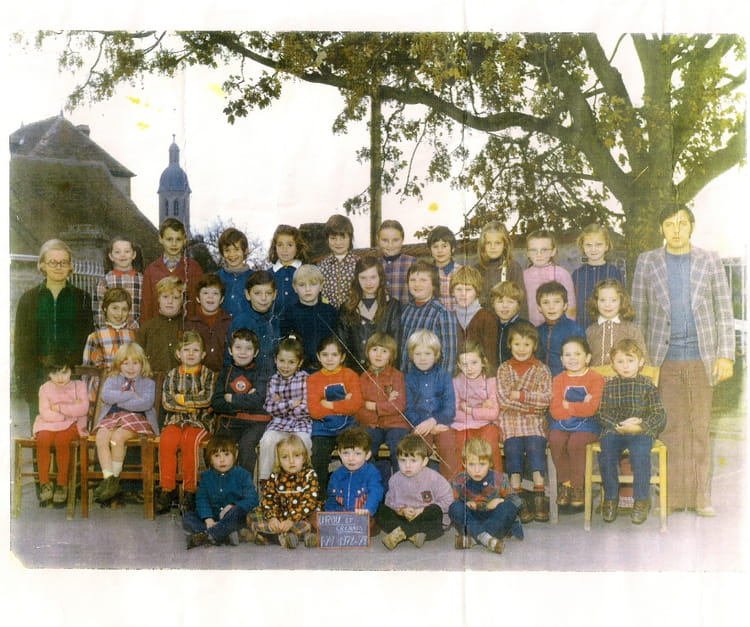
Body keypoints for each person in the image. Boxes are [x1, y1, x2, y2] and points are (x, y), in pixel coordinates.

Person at [631, 203, 734, 516]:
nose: (676, 230)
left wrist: (725, 356)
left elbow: (723, 310)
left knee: (699, 428)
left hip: (702, 358)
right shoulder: (647, 262)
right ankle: (674, 497)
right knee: (670, 429)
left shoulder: (709, 260)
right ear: (661, 228)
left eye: (682, 223)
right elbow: (638, 314)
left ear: (691, 227)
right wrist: (642, 363)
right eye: (669, 224)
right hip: (663, 360)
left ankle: (701, 497)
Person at [14, 239, 93, 430]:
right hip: (39, 376)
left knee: (70, 436)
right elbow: (21, 344)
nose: (58, 267)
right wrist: (26, 382)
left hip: (71, 378)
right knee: (42, 435)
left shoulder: (82, 298)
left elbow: (87, 339)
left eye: (63, 262)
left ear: (71, 266)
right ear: (42, 265)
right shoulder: (29, 299)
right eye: (52, 262)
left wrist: (77, 373)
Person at [597, 340, 666, 524]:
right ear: (613, 364)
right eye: (620, 362)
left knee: (641, 455)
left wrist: (641, 426)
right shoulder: (610, 386)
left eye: (630, 360)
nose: (625, 366)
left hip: (639, 431)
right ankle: (610, 498)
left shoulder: (648, 386)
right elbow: (601, 413)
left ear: (640, 362)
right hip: (616, 430)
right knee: (606, 453)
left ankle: (641, 500)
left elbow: (659, 414)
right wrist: (617, 425)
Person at [496, 321, 552, 522]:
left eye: (527, 344)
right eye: (517, 344)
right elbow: (503, 401)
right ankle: (517, 496)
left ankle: (539, 495)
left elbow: (545, 400)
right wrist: (531, 406)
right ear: (509, 344)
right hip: (510, 422)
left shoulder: (542, 370)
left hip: (534, 422)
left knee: (536, 445)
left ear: (534, 346)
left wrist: (520, 396)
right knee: (513, 448)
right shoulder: (503, 369)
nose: (521, 349)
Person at [155, 330, 217, 514]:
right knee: (167, 440)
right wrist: (192, 404)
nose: (191, 354)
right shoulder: (172, 374)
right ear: (178, 354)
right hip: (175, 421)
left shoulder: (208, 375)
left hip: (200, 422)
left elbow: (207, 400)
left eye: (195, 350)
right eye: (186, 350)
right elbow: (167, 402)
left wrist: (181, 399)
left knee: (190, 441)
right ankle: (167, 489)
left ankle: (190, 491)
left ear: (203, 354)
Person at [91, 343, 158, 503]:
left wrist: (119, 400)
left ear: (142, 364)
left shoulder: (148, 382)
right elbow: (106, 396)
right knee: (101, 436)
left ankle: (113, 478)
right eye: (126, 363)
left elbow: (145, 403)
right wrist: (131, 394)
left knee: (118, 437)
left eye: (135, 363)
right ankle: (110, 480)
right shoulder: (112, 379)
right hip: (112, 417)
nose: (130, 367)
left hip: (137, 419)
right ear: (118, 365)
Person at [548, 336, 605, 510]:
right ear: (561, 360)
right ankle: (565, 484)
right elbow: (555, 410)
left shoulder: (596, 378)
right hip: (563, 422)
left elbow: (592, 409)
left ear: (587, 357)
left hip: (589, 424)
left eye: (577, 354)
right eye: (567, 355)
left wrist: (569, 405)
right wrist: (580, 405)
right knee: (555, 438)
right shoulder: (558, 380)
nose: (572, 358)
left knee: (576, 442)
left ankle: (578, 486)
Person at [307, 335, 363, 496]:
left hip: (348, 426)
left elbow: (355, 405)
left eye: (334, 355)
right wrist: (344, 403)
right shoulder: (313, 379)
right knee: (318, 457)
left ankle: (356, 494)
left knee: (355, 453)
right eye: (325, 355)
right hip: (323, 428)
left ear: (342, 357)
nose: (329, 359)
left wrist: (328, 404)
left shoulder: (350, 375)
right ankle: (320, 497)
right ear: (318, 356)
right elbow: (314, 410)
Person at [375, 434, 453, 550]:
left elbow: (448, 501)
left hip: (426, 520)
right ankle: (413, 535)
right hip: (405, 518)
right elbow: (389, 502)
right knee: (379, 509)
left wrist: (421, 510)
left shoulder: (434, 478)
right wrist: (402, 511)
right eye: (403, 460)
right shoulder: (395, 479)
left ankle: (402, 532)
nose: (407, 466)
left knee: (434, 510)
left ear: (424, 461)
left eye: (413, 461)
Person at [183, 433, 259, 549]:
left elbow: (253, 499)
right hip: (213, 518)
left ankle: (208, 535)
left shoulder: (243, 475)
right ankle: (223, 535)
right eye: (216, 456)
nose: (222, 460)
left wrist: (233, 505)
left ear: (235, 455)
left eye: (227, 454)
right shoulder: (206, 477)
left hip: (233, 518)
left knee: (238, 511)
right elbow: (202, 500)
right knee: (188, 517)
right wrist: (208, 519)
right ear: (210, 459)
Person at [448, 438, 523, 553]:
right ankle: (487, 539)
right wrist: (465, 504)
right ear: (464, 464)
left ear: (490, 464)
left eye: (482, 464)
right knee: (454, 507)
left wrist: (500, 501)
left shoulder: (498, 478)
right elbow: (452, 503)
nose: (477, 470)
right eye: (471, 465)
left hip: (494, 519)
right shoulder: (459, 480)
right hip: (472, 520)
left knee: (508, 507)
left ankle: (473, 539)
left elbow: (517, 502)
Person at [32, 355, 89, 507]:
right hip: (49, 423)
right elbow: (45, 413)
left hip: (73, 424)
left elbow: (83, 409)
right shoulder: (45, 388)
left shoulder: (79, 386)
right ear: (48, 374)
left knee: (61, 440)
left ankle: (62, 483)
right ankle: (45, 483)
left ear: (71, 370)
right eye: (55, 373)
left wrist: (59, 408)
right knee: (43, 439)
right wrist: (68, 412)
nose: (60, 378)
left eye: (64, 372)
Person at [211, 329, 269, 476]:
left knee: (246, 446)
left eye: (248, 349)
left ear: (255, 353)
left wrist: (232, 398)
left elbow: (258, 400)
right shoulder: (226, 372)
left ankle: (244, 485)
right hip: (231, 421)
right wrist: (244, 401)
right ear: (230, 350)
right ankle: (221, 483)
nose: (243, 352)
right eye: (238, 347)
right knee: (219, 445)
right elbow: (217, 402)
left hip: (255, 423)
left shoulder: (261, 372)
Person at [247, 434, 322, 548]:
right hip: (280, 516)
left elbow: (309, 503)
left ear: (304, 457)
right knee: (253, 514)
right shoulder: (275, 476)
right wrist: (272, 518)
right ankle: (286, 536)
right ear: (279, 460)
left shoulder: (309, 475)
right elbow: (268, 499)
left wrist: (291, 520)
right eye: (285, 457)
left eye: (296, 456)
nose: (291, 461)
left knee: (310, 524)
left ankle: (271, 536)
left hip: (301, 517)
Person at [258, 335, 312, 481]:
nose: (285, 366)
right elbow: (269, 407)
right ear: (275, 360)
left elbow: (306, 409)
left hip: (301, 425)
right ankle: (266, 481)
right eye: (281, 361)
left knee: (305, 442)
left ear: (300, 363)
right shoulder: (273, 380)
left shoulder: (305, 379)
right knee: (267, 440)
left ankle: (304, 481)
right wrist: (291, 403)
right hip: (278, 424)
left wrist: (281, 403)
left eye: (291, 362)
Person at [403, 330, 456, 479]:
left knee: (448, 445)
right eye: (418, 354)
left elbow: (450, 408)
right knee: (418, 448)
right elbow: (408, 408)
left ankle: (452, 485)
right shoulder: (409, 378)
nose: (423, 358)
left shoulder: (444, 376)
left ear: (436, 355)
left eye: (427, 354)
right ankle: (420, 485)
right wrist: (424, 425)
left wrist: (433, 421)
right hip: (419, 426)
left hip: (441, 423)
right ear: (411, 356)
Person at [356, 332, 409, 479]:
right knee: (365, 448)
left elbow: (399, 405)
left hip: (396, 424)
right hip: (372, 425)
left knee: (399, 449)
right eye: (374, 350)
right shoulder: (363, 378)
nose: (378, 355)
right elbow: (360, 407)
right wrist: (386, 403)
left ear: (391, 356)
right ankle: (372, 482)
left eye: (384, 351)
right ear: (367, 352)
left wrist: (375, 406)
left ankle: (401, 484)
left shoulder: (397, 376)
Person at [336, 255, 401, 373]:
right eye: (363, 278)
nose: (368, 283)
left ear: (380, 278)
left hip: (383, 372)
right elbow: (342, 345)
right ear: (357, 279)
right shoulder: (347, 307)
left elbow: (395, 344)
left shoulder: (392, 305)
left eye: (373, 277)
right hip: (354, 372)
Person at [399, 260, 458, 374]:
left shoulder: (442, 313)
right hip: (406, 378)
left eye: (423, 280)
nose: (417, 284)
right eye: (413, 280)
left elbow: (449, 358)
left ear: (434, 285)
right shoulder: (406, 310)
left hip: (430, 380)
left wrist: (440, 382)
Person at [82, 287, 138, 406]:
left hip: (129, 391)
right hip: (102, 391)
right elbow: (87, 371)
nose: (119, 314)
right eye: (115, 308)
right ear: (105, 308)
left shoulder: (134, 335)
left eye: (124, 309)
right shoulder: (95, 337)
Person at [451, 341, 502, 473]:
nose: (469, 368)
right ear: (459, 365)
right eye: (464, 364)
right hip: (464, 425)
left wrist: (470, 410)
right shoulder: (456, 381)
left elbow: (494, 413)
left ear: (483, 362)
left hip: (488, 424)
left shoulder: (490, 381)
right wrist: (482, 410)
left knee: (490, 442)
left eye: (474, 363)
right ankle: (462, 482)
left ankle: (496, 481)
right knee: (461, 443)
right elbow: (453, 413)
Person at [141, 217, 203, 323]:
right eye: (169, 239)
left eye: (178, 239)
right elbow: (146, 307)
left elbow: (198, 304)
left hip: (185, 329)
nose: (174, 244)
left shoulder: (193, 268)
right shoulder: (151, 270)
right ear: (161, 239)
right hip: (158, 329)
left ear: (185, 240)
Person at [280, 264, 338, 371]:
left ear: (321, 286)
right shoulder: (288, 314)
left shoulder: (331, 312)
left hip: (327, 367)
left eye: (313, 284)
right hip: (299, 370)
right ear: (294, 287)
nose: (308, 289)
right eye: (302, 285)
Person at [224, 270, 280, 381]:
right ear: (247, 294)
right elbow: (229, 359)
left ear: (275, 294)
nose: (263, 298)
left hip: (275, 382)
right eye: (257, 293)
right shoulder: (241, 322)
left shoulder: (278, 320)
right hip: (247, 382)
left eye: (268, 293)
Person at [585, 279, 649, 368]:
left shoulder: (632, 330)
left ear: (621, 301)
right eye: (602, 300)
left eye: (613, 300)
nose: (607, 305)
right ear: (596, 302)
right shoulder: (590, 331)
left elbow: (644, 360)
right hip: (596, 376)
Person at [324, 428, 384, 521]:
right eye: (346, 453)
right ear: (339, 453)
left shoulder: (372, 473)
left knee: (381, 518)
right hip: (342, 519)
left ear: (367, 455)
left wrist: (367, 509)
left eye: (357, 454)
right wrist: (329, 516)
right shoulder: (336, 475)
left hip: (365, 517)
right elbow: (332, 499)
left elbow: (376, 493)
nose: (351, 458)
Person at [571, 224, 623, 329]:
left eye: (598, 244)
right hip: (582, 328)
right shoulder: (577, 274)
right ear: (582, 247)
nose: (593, 249)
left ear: (606, 246)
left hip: (609, 329)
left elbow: (622, 303)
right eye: (588, 245)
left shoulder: (614, 272)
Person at [523, 229, 576, 326]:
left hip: (558, 327)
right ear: (527, 253)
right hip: (531, 328)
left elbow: (570, 306)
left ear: (553, 251)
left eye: (544, 250)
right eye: (533, 250)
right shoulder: (524, 275)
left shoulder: (562, 274)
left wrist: (568, 329)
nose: (539, 254)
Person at [451, 265, 499, 372]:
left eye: (468, 290)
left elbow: (490, 357)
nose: (463, 294)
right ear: (452, 292)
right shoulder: (449, 317)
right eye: (458, 289)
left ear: (477, 292)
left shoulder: (487, 318)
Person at [135, 275, 185, 373]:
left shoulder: (188, 327)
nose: (170, 301)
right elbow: (137, 358)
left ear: (182, 301)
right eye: (165, 297)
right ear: (158, 298)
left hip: (181, 379)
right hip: (153, 379)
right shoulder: (147, 328)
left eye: (175, 298)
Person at [535, 280, 585, 377]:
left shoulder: (575, 330)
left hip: (567, 380)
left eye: (557, 302)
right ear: (539, 307)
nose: (551, 307)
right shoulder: (537, 331)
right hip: (541, 382)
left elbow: (581, 361)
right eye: (546, 302)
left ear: (565, 306)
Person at [184, 273, 233, 373]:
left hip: (224, 375)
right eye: (205, 293)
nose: (210, 297)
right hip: (198, 375)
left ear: (221, 299)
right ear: (198, 298)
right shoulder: (190, 324)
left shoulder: (230, 323)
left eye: (215, 293)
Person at [472, 220, 525, 311]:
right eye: (488, 243)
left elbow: (521, 301)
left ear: (505, 245)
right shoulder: (476, 269)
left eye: (497, 243)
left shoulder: (513, 267)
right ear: (483, 245)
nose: (493, 247)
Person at [93, 234, 143, 328]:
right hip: (111, 332)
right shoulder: (104, 282)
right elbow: (99, 312)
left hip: (138, 332)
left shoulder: (142, 280)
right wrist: (105, 330)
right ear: (111, 256)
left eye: (127, 251)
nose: (122, 255)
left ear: (134, 255)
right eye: (117, 252)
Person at [318, 214, 358, 309]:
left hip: (353, 313)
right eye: (333, 238)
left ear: (350, 238)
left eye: (343, 237)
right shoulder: (322, 266)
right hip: (329, 314)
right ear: (327, 239)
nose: (338, 243)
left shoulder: (358, 264)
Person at [268, 224, 306, 318]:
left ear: (297, 247)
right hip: (275, 324)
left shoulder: (307, 271)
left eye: (290, 245)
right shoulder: (268, 275)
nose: (284, 249)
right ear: (275, 247)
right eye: (280, 245)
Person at [377, 219, 416, 306]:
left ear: (402, 240)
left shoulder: (412, 263)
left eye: (395, 240)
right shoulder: (374, 265)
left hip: (406, 313)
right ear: (378, 240)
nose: (390, 245)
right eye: (385, 240)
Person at [216, 227, 252, 318]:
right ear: (222, 253)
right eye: (227, 250)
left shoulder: (255, 278)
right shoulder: (216, 278)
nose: (232, 254)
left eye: (236, 249)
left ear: (245, 251)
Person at [490, 280, 528, 365]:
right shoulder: (491, 326)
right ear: (493, 304)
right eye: (500, 301)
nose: (505, 306)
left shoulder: (525, 328)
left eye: (510, 302)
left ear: (518, 305)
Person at [427, 225, 462, 311]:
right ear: (430, 250)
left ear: (452, 249)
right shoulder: (426, 273)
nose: (440, 250)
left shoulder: (462, 272)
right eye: (435, 247)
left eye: (444, 246)